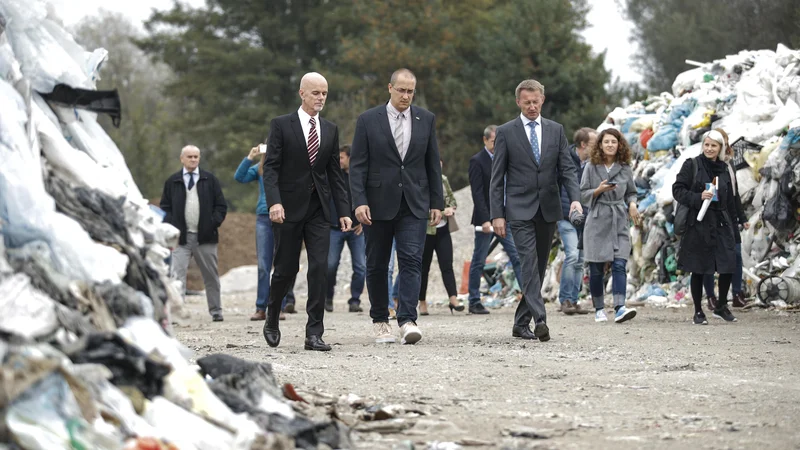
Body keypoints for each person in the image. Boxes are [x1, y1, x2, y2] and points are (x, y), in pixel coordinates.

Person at [350, 68, 444, 345]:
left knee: (412, 261)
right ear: (389, 88)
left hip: (414, 203)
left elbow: (432, 163)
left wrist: (436, 201)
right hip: (376, 204)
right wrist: (358, 202)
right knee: (378, 265)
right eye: (401, 90)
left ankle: (407, 319)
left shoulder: (425, 119)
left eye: (410, 91)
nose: (405, 95)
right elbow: (357, 166)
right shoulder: (368, 120)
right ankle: (380, 320)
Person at [261, 72, 352, 351]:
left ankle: (314, 333)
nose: (321, 98)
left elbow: (334, 174)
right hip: (287, 209)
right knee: (286, 269)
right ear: (302, 93)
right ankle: (272, 316)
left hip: (318, 211)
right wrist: (274, 202)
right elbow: (271, 168)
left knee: (320, 267)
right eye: (315, 93)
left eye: (324, 93)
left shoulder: (330, 129)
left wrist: (344, 210)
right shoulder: (281, 125)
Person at [489, 79, 582, 342]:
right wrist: (497, 213)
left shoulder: (556, 130)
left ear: (542, 100)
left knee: (539, 267)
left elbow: (567, 169)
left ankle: (520, 324)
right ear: (518, 102)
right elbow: (497, 178)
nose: (532, 106)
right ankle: (540, 319)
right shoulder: (506, 132)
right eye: (526, 102)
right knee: (528, 263)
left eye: (536, 101)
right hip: (518, 208)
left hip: (548, 208)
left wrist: (574, 199)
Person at [672, 129, 739, 325]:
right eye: (707, 145)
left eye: (714, 146)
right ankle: (698, 311)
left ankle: (721, 307)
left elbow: (731, 200)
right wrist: (698, 196)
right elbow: (678, 190)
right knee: (699, 267)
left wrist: (735, 225)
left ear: (721, 148)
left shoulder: (725, 169)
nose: (709, 149)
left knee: (727, 265)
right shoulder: (691, 165)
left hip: (721, 223)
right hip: (699, 223)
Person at [160, 145, 227, 322]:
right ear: (182, 158)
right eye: (189, 156)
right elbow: (165, 208)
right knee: (177, 276)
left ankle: (216, 311)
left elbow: (221, 206)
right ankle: (178, 313)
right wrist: (172, 228)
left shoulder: (209, 179)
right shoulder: (173, 181)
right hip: (180, 239)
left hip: (205, 237)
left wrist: (213, 224)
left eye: (196, 157)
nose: (193, 160)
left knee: (211, 276)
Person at [580, 128, 639, 323]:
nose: (610, 145)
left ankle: (620, 307)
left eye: (614, 142)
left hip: (619, 218)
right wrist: (598, 190)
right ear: (600, 145)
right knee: (596, 267)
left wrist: (632, 205)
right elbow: (582, 194)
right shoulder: (591, 167)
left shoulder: (625, 167)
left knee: (620, 263)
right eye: (607, 142)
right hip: (597, 219)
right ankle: (599, 308)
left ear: (619, 144)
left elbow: (631, 191)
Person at [234, 146, 297, 322]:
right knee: (263, 265)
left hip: (284, 217)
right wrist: (250, 156)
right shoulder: (260, 168)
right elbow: (239, 177)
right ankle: (261, 308)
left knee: (282, 264)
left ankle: (279, 307)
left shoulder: (290, 165)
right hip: (263, 216)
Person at [467, 125, 523, 315]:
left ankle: (529, 297)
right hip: (486, 221)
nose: (497, 145)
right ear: (485, 140)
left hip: (504, 218)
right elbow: (477, 194)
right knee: (479, 259)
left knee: (516, 255)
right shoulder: (477, 161)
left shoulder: (506, 160)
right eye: (493, 142)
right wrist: (484, 220)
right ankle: (474, 300)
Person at [702, 129, 751, 309]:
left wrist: (742, 217)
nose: (712, 147)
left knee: (735, 255)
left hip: (728, 216)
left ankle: (736, 293)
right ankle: (710, 297)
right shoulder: (704, 165)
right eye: (709, 143)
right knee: (709, 258)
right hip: (710, 216)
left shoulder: (729, 165)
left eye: (718, 143)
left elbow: (734, 194)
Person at [557, 127, 596, 315]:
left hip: (585, 217)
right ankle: (564, 299)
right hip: (566, 216)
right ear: (583, 145)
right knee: (572, 255)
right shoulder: (565, 160)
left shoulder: (592, 165)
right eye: (593, 144)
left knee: (580, 260)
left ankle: (574, 299)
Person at [418, 160, 465, 315]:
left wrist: (451, 207)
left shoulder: (443, 180)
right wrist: (444, 211)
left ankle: (453, 298)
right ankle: (422, 302)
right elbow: (420, 208)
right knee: (424, 267)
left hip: (443, 229)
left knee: (447, 265)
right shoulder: (420, 182)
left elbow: (452, 199)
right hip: (426, 231)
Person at [326, 145, 366, 313]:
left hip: (356, 229)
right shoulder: (333, 176)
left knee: (361, 267)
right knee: (330, 265)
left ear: (350, 158)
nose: (339, 161)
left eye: (342, 157)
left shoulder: (360, 176)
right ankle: (328, 298)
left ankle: (354, 300)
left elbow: (368, 199)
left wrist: (363, 223)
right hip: (335, 228)